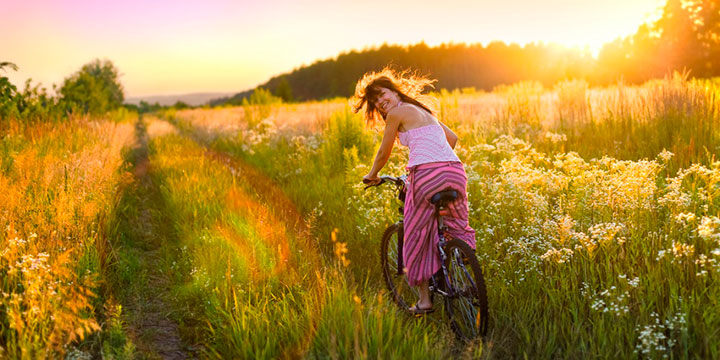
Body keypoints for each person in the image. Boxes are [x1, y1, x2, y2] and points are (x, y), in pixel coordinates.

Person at [351, 68, 476, 314]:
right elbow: (452, 138)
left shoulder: (396, 113)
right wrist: (434, 156)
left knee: (417, 233)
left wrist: (372, 174)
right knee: (457, 227)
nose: (380, 102)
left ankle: (425, 301)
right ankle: (463, 270)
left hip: (427, 176)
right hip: (455, 172)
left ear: (394, 90)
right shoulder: (425, 112)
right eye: (375, 101)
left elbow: (383, 152)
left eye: (381, 94)